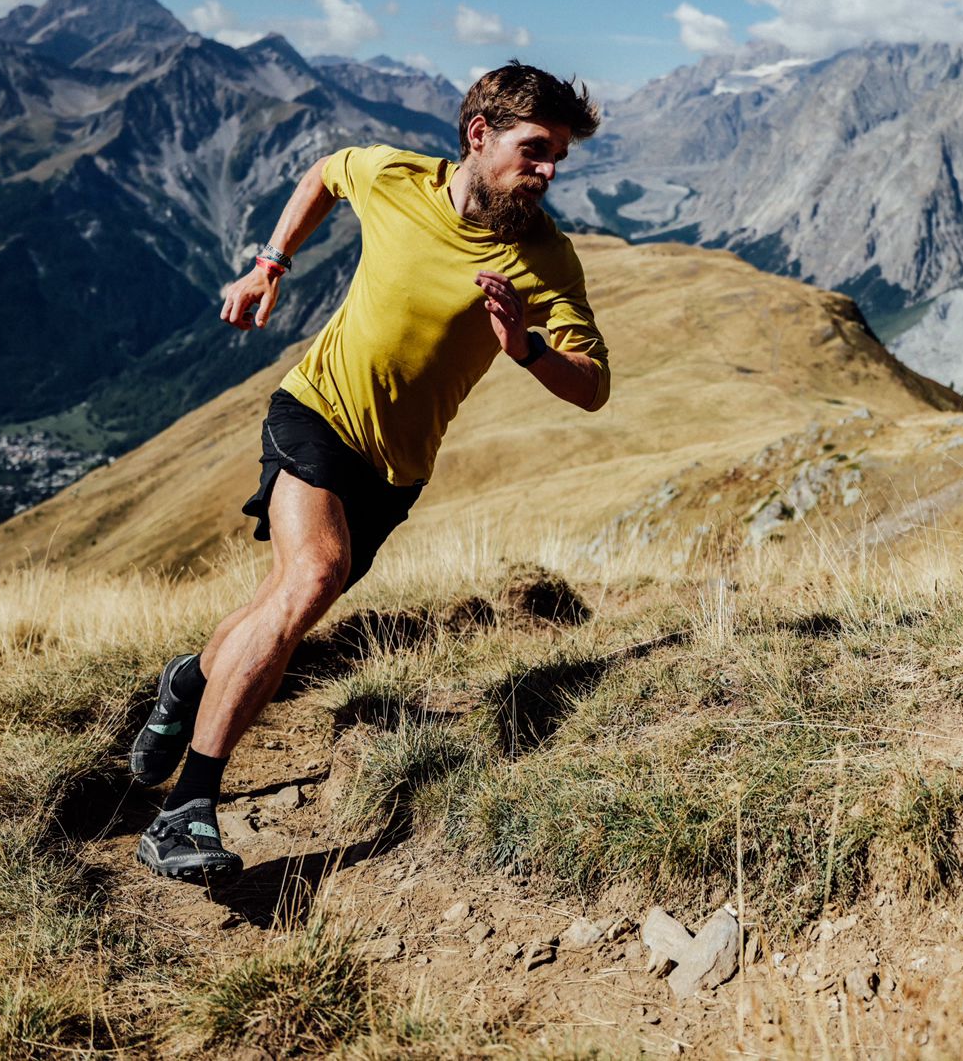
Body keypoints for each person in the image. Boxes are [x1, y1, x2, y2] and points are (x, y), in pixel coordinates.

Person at [127, 61, 610, 880]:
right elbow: (324, 173)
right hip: (314, 412)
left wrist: (525, 348)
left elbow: (593, 386)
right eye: (536, 148)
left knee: (281, 604)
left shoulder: (546, 258)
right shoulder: (394, 177)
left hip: (396, 472)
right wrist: (270, 264)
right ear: (478, 136)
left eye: (561, 154)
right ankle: (186, 811)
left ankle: (189, 679)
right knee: (314, 575)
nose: (550, 169)